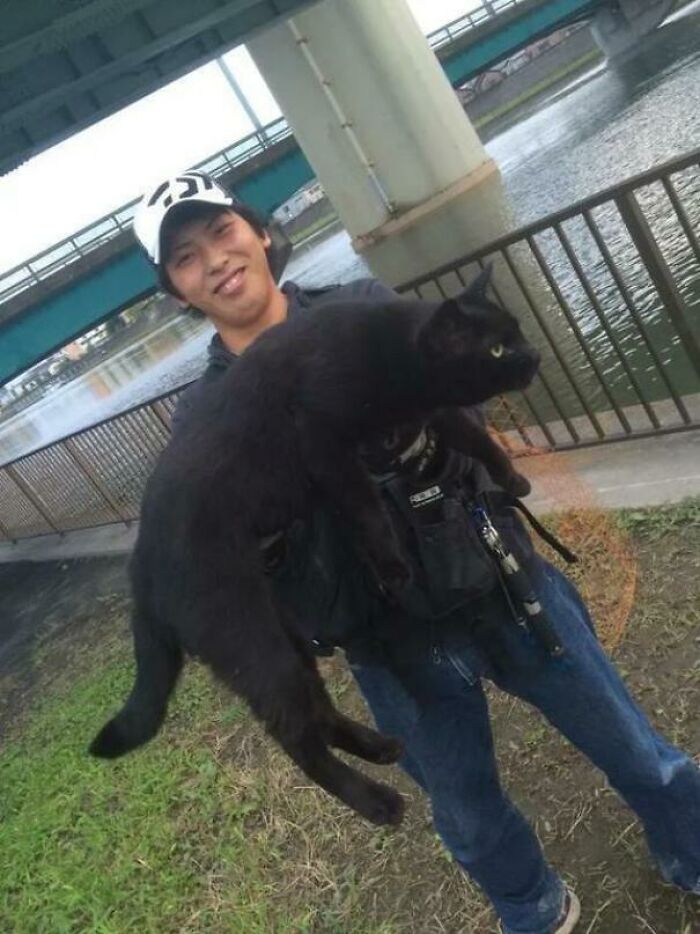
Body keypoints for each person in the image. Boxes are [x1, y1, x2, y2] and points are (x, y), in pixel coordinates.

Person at [132, 171, 700, 934]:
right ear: (176, 292)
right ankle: (533, 909)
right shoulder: (204, 414)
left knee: (634, 746)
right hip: (390, 646)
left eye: (222, 232)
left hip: (501, 580)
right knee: (467, 816)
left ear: (259, 232)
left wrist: (423, 443)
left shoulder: (365, 307)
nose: (215, 261)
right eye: (186, 258)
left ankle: (691, 848)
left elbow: (468, 389)